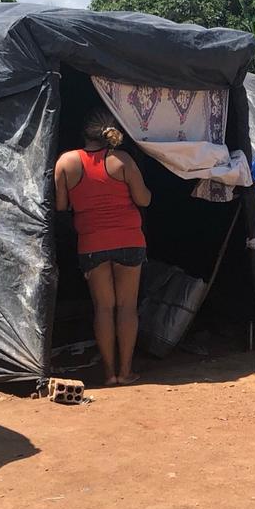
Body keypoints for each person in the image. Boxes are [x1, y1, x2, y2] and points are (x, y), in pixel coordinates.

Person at [55, 111, 152, 385]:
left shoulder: (65, 162)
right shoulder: (123, 161)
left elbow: (61, 207)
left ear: (84, 132)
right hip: (129, 241)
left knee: (104, 309)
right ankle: (126, 372)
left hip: (92, 244)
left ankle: (109, 374)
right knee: (126, 308)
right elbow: (143, 200)